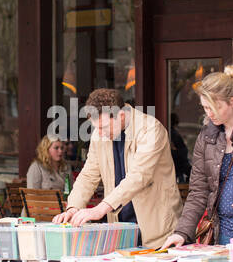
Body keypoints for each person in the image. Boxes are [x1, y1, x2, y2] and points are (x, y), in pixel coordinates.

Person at [165, 66, 233, 247]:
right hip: (224, 234)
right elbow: (198, 191)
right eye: (205, 107)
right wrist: (182, 232)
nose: (209, 113)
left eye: (215, 107)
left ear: (232, 101)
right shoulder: (206, 137)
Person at [55, 88, 180, 247]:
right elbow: (88, 175)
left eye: (103, 127)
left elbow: (138, 177)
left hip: (157, 229)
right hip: (120, 230)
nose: (99, 133)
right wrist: (73, 208)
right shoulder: (99, 135)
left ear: (121, 116)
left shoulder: (151, 129)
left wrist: (99, 210)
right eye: (96, 127)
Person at [168, 112, 192, 183]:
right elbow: (182, 152)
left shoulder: (171, 133)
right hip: (178, 167)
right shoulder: (174, 134)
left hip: (175, 167)